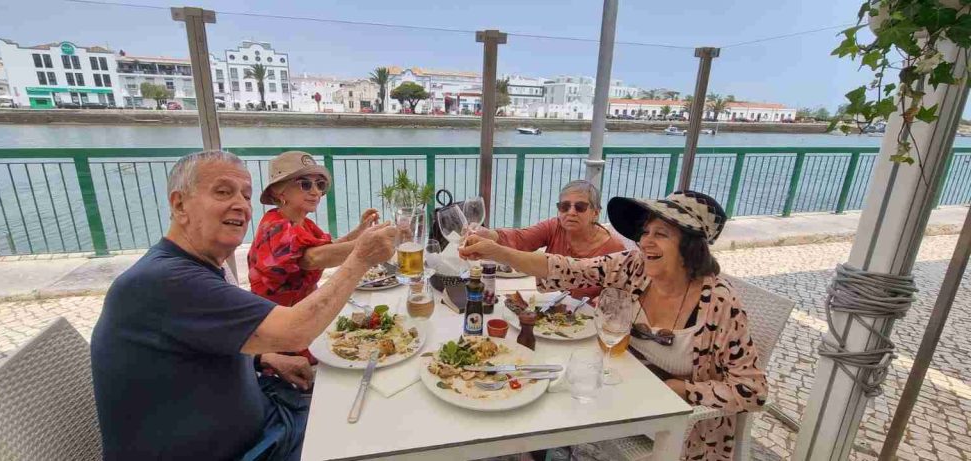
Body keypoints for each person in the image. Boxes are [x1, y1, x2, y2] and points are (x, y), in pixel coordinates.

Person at [91, 150, 397, 461]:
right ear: (179, 204)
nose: (241, 204)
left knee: (372, 414)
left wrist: (262, 359)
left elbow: (192, 344)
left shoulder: (186, 269)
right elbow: (296, 332)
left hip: (265, 421)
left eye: (246, 195)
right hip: (249, 449)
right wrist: (361, 257)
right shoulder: (163, 280)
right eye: (223, 192)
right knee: (379, 437)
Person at [460, 190, 767, 461]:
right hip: (624, 388)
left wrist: (683, 388)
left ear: (690, 247)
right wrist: (497, 252)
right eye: (645, 232)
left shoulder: (719, 304)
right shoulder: (634, 267)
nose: (646, 241)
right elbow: (564, 267)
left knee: (545, 400)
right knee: (535, 392)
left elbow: (753, 391)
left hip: (679, 424)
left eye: (661, 234)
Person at [248, 151, 379, 308]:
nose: (316, 191)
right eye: (305, 184)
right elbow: (313, 258)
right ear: (278, 190)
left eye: (320, 184)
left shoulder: (304, 224)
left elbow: (329, 248)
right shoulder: (274, 227)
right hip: (275, 320)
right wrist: (371, 244)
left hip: (302, 311)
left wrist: (360, 230)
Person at [473, 180, 627, 300]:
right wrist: (490, 235)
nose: (571, 212)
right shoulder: (555, 226)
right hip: (552, 312)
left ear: (595, 213)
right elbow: (521, 239)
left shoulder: (615, 249)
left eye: (580, 207)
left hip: (588, 322)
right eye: (564, 206)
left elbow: (620, 295)